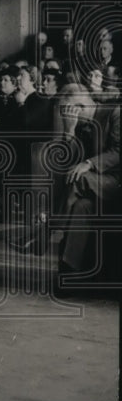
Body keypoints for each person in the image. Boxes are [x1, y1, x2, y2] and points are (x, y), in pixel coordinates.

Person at [57, 87, 121, 274]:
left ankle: (48, 229)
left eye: (68, 111)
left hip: (117, 181)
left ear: (80, 106)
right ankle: (69, 269)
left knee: (78, 178)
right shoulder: (81, 125)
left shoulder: (115, 112)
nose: (68, 116)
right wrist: (69, 130)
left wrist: (89, 163)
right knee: (81, 206)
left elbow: (119, 151)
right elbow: (67, 163)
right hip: (94, 185)